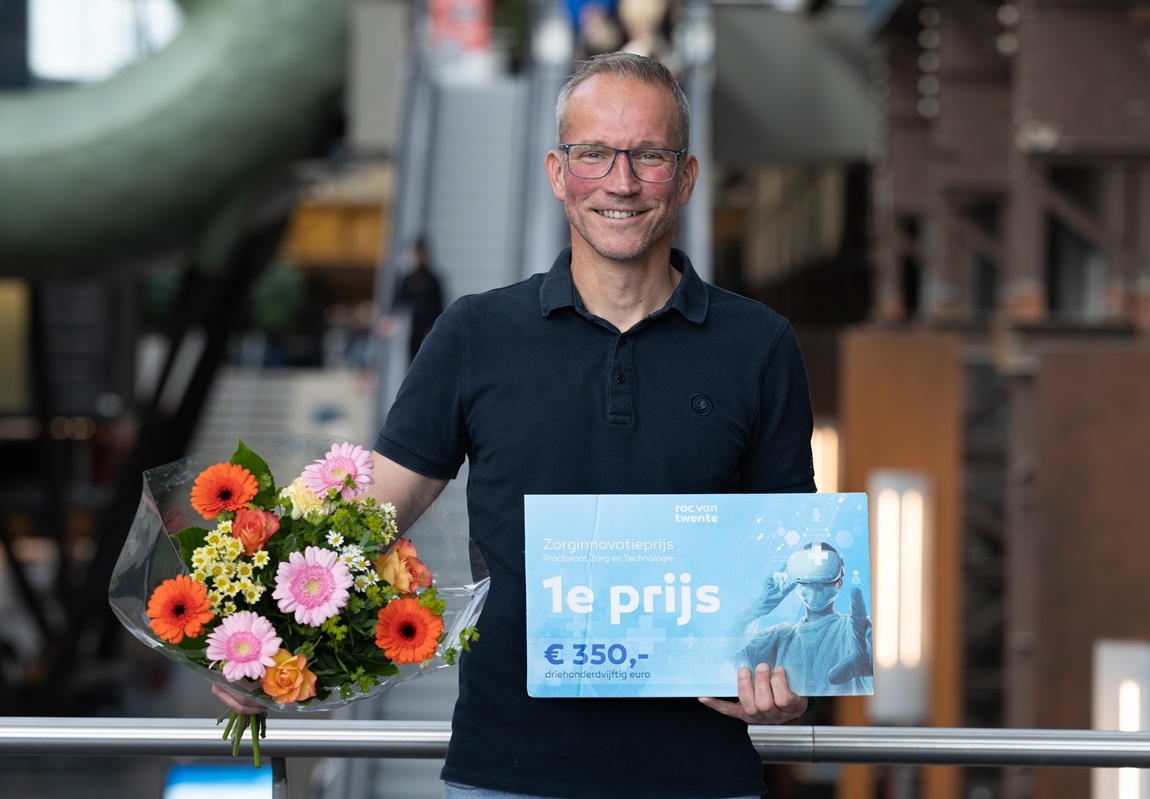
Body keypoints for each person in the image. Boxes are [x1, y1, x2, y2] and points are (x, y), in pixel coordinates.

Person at [215, 52, 816, 798]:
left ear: (686, 177)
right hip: (504, 774)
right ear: (559, 174)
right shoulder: (476, 333)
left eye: (649, 157)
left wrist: (794, 676)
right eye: (594, 154)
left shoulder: (759, 345)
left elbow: (791, 554)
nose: (620, 182)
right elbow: (372, 512)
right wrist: (259, 632)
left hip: (698, 775)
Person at [736, 541, 874, 696]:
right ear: (798, 585)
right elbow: (725, 653)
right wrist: (756, 608)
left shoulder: (857, 631)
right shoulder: (778, 637)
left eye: (822, 583)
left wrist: (873, 663)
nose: (816, 588)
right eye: (809, 582)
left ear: (839, 583)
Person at [393, 237, 445, 363]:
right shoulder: (407, 280)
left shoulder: (433, 280)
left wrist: (434, 328)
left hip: (429, 330)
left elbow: (440, 307)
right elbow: (398, 305)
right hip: (412, 330)